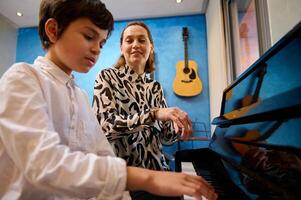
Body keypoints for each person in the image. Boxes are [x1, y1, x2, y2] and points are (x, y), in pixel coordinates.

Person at [0, 0, 217, 200]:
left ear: (151, 47)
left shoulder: (79, 95)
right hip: (135, 178)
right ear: (53, 30)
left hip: (146, 174)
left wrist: (174, 123)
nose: (96, 49)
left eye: (102, 43)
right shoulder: (23, 77)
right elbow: (47, 164)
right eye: (88, 36)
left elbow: (101, 153)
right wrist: (147, 176)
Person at [93, 21, 203, 199]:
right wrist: (154, 114)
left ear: (150, 47)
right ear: (122, 47)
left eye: (141, 40)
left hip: (162, 175)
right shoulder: (107, 77)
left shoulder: (155, 88)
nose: (135, 44)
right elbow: (106, 127)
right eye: (129, 40)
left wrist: (177, 127)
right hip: (129, 180)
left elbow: (166, 139)